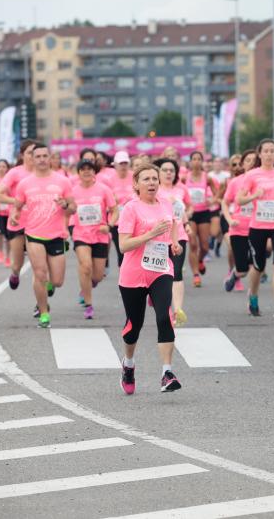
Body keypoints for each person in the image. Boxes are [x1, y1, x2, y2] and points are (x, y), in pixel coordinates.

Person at [117, 162, 183, 394]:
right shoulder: (130, 209)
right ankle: (129, 364)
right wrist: (151, 234)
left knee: (165, 315)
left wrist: (173, 242)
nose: (152, 182)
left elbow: (173, 225)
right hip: (133, 274)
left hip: (161, 269)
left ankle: (167, 372)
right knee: (134, 326)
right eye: (146, 179)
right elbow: (123, 245)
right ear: (136, 184)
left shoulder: (166, 204)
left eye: (155, 178)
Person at [10, 143, 75, 328]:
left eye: (44, 156)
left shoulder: (62, 181)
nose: (41, 159)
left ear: (49, 158)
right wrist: (15, 216)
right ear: (31, 159)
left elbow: (73, 207)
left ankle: (49, 288)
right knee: (39, 274)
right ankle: (44, 312)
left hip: (56, 235)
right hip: (34, 234)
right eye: (37, 156)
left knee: (57, 281)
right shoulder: (25, 184)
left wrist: (65, 205)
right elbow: (17, 206)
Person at [237, 139, 274, 318]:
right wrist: (254, 195)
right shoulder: (252, 175)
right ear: (260, 154)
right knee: (258, 266)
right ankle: (253, 296)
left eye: (272, 151)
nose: (269, 154)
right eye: (266, 151)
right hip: (258, 225)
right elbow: (239, 200)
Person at [71, 159, 117, 319]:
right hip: (80, 234)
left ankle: (87, 286)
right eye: (82, 169)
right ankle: (89, 305)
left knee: (97, 276)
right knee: (85, 266)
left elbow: (114, 210)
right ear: (78, 173)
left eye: (89, 169)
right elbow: (67, 211)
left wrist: (109, 225)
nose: (86, 172)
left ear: (94, 172)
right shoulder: (73, 191)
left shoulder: (103, 190)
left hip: (100, 235)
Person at [0, 140, 36, 290]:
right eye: (30, 152)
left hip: (39, 224)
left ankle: (41, 304)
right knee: (17, 264)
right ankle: (15, 274)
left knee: (39, 266)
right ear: (22, 155)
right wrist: (18, 201)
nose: (33, 156)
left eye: (35, 152)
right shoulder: (15, 173)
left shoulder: (44, 173)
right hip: (17, 222)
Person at [156, 157, 192, 325]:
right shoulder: (154, 190)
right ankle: (166, 310)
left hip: (180, 235)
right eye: (165, 170)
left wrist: (186, 222)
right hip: (160, 237)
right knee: (164, 274)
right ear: (158, 172)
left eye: (172, 170)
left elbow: (187, 208)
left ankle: (178, 310)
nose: (169, 173)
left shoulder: (181, 189)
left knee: (177, 272)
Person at [222, 150, 256, 293]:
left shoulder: (264, 180)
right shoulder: (236, 181)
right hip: (239, 228)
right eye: (248, 160)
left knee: (257, 263)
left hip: (258, 227)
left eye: (255, 160)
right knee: (243, 270)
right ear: (243, 164)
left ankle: (253, 296)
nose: (252, 163)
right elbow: (225, 202)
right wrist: (230, 220)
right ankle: (235, 275)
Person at [186, 151, 217, 287]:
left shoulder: (207, 178)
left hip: (204, 212)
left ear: (202, 162)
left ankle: (200, 260)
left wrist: (212, 200)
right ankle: (196, 274)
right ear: (190, 161)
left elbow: (217, 194)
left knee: (204, 246)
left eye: (199, 159)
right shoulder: (184, 178)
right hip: (191, 214)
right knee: (193, 244)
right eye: (194, 159)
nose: (197, 161)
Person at [108, 151, 134, 267]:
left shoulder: (134, 177)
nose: (123, 166)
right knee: (122, 251)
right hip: (117, 221)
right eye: (121, 164)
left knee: (133, 251)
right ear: (115, 165)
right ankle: (124, 279)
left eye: (125, 163)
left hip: (133, 220)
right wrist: (112, 201)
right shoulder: (109, 180)